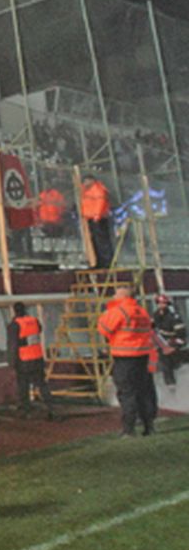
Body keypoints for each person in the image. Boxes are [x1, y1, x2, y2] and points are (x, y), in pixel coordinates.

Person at [97, 286, 158, 437]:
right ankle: (149, 426)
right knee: (144, 391)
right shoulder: (142, 311)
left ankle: (129, 429)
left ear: (123, 296)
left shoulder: (119, 310)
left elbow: (104, 328)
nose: (113, 296)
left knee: (127, 393)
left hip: (125, 357)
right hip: (142, 356)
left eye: (116, 293)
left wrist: (107, 311)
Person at [7, 302, 54, 419]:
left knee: (23, 387)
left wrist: (12, 364)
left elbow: (12, 345)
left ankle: (26, 411)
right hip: (37, 358)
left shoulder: (14, 325)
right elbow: (39, 330)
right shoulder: (34, 321)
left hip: (23, 361)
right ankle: (51, 408)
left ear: (14, 311)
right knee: (42, 385)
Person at [152, 294, 186, 387]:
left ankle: (175, 384)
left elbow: (181, 333)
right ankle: (169, 384)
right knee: (165, 365)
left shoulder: (174, 316)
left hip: (172, 343)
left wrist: (175, 345)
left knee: (172, 364)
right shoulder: (155, 315)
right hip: (161, 345)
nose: (161, 305)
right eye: (159, 303)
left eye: (164, 303)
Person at [81, 175, 114, 269]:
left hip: (98, 218)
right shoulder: (86, 190)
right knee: (95, 241)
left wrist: (97, 215)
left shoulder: (97, 189)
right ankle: (99, 261)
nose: (84, 183)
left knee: (101, 241)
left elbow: (101, 203)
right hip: (91, 217)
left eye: (86, 181)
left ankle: (107, 261)